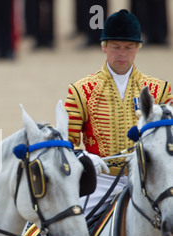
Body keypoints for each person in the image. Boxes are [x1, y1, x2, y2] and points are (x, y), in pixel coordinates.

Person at [64, 9, 173, 215]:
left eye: (128, 47)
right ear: (104, 47)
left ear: (137, 48)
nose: (122, 53)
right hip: (100, 182)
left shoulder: (160, 90)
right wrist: (84, 157)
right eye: (116, 47)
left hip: (149, 180)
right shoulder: (81, 90)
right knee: (69, 234)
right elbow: (67, 143)